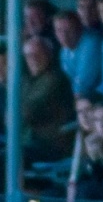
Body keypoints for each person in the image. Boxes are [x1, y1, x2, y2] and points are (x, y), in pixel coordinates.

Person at [19, 35, 76, 163]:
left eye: (38, 54)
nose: (34, 59)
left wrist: (13, 115)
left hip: (50, 145)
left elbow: (26, 113)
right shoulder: (26, 81)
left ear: (49, 55)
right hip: (28, 140)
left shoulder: (54, 79)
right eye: (29, 56)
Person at [53, 9, 102, 97]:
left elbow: (83, 85)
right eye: (59, 30)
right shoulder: (64, 51)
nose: (64, 36)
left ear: (79, 28)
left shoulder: (91, 43)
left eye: (68, 30)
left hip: (98, 96)